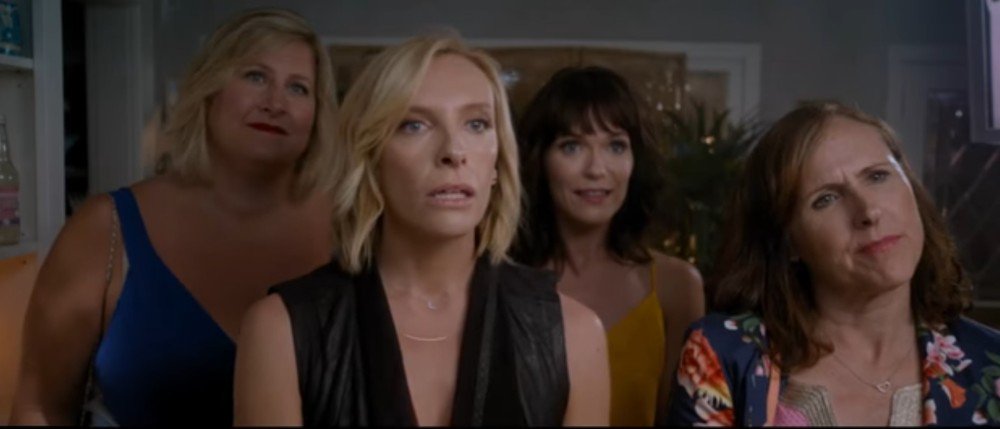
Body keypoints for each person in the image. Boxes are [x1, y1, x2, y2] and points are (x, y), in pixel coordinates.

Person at [233, 34, 610, 427]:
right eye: (414, 125)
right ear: (370, 156)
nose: (453, 152)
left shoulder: (574, 335)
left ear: (498, 163)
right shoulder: (280, 329)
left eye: (477, 124)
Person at [10, 8, 337, 426]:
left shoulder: (352, 229)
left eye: (298, 88)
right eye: (255, 77)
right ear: (209, 91)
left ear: (317, 115)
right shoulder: (106, 229)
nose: (275, 103)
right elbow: (40, 406)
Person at [667, 102, 1000, 426]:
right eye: (826, 199)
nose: (868, 212)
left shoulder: (992, 362)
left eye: (878, 176)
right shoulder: (721, 357)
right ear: (789, 242)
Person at [511, 66, 704, 426]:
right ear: (540, 161)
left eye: (616, 146)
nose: (597, 169)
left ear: (635, 162)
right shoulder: (502, 282)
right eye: (572, 146)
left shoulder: (677, 286)